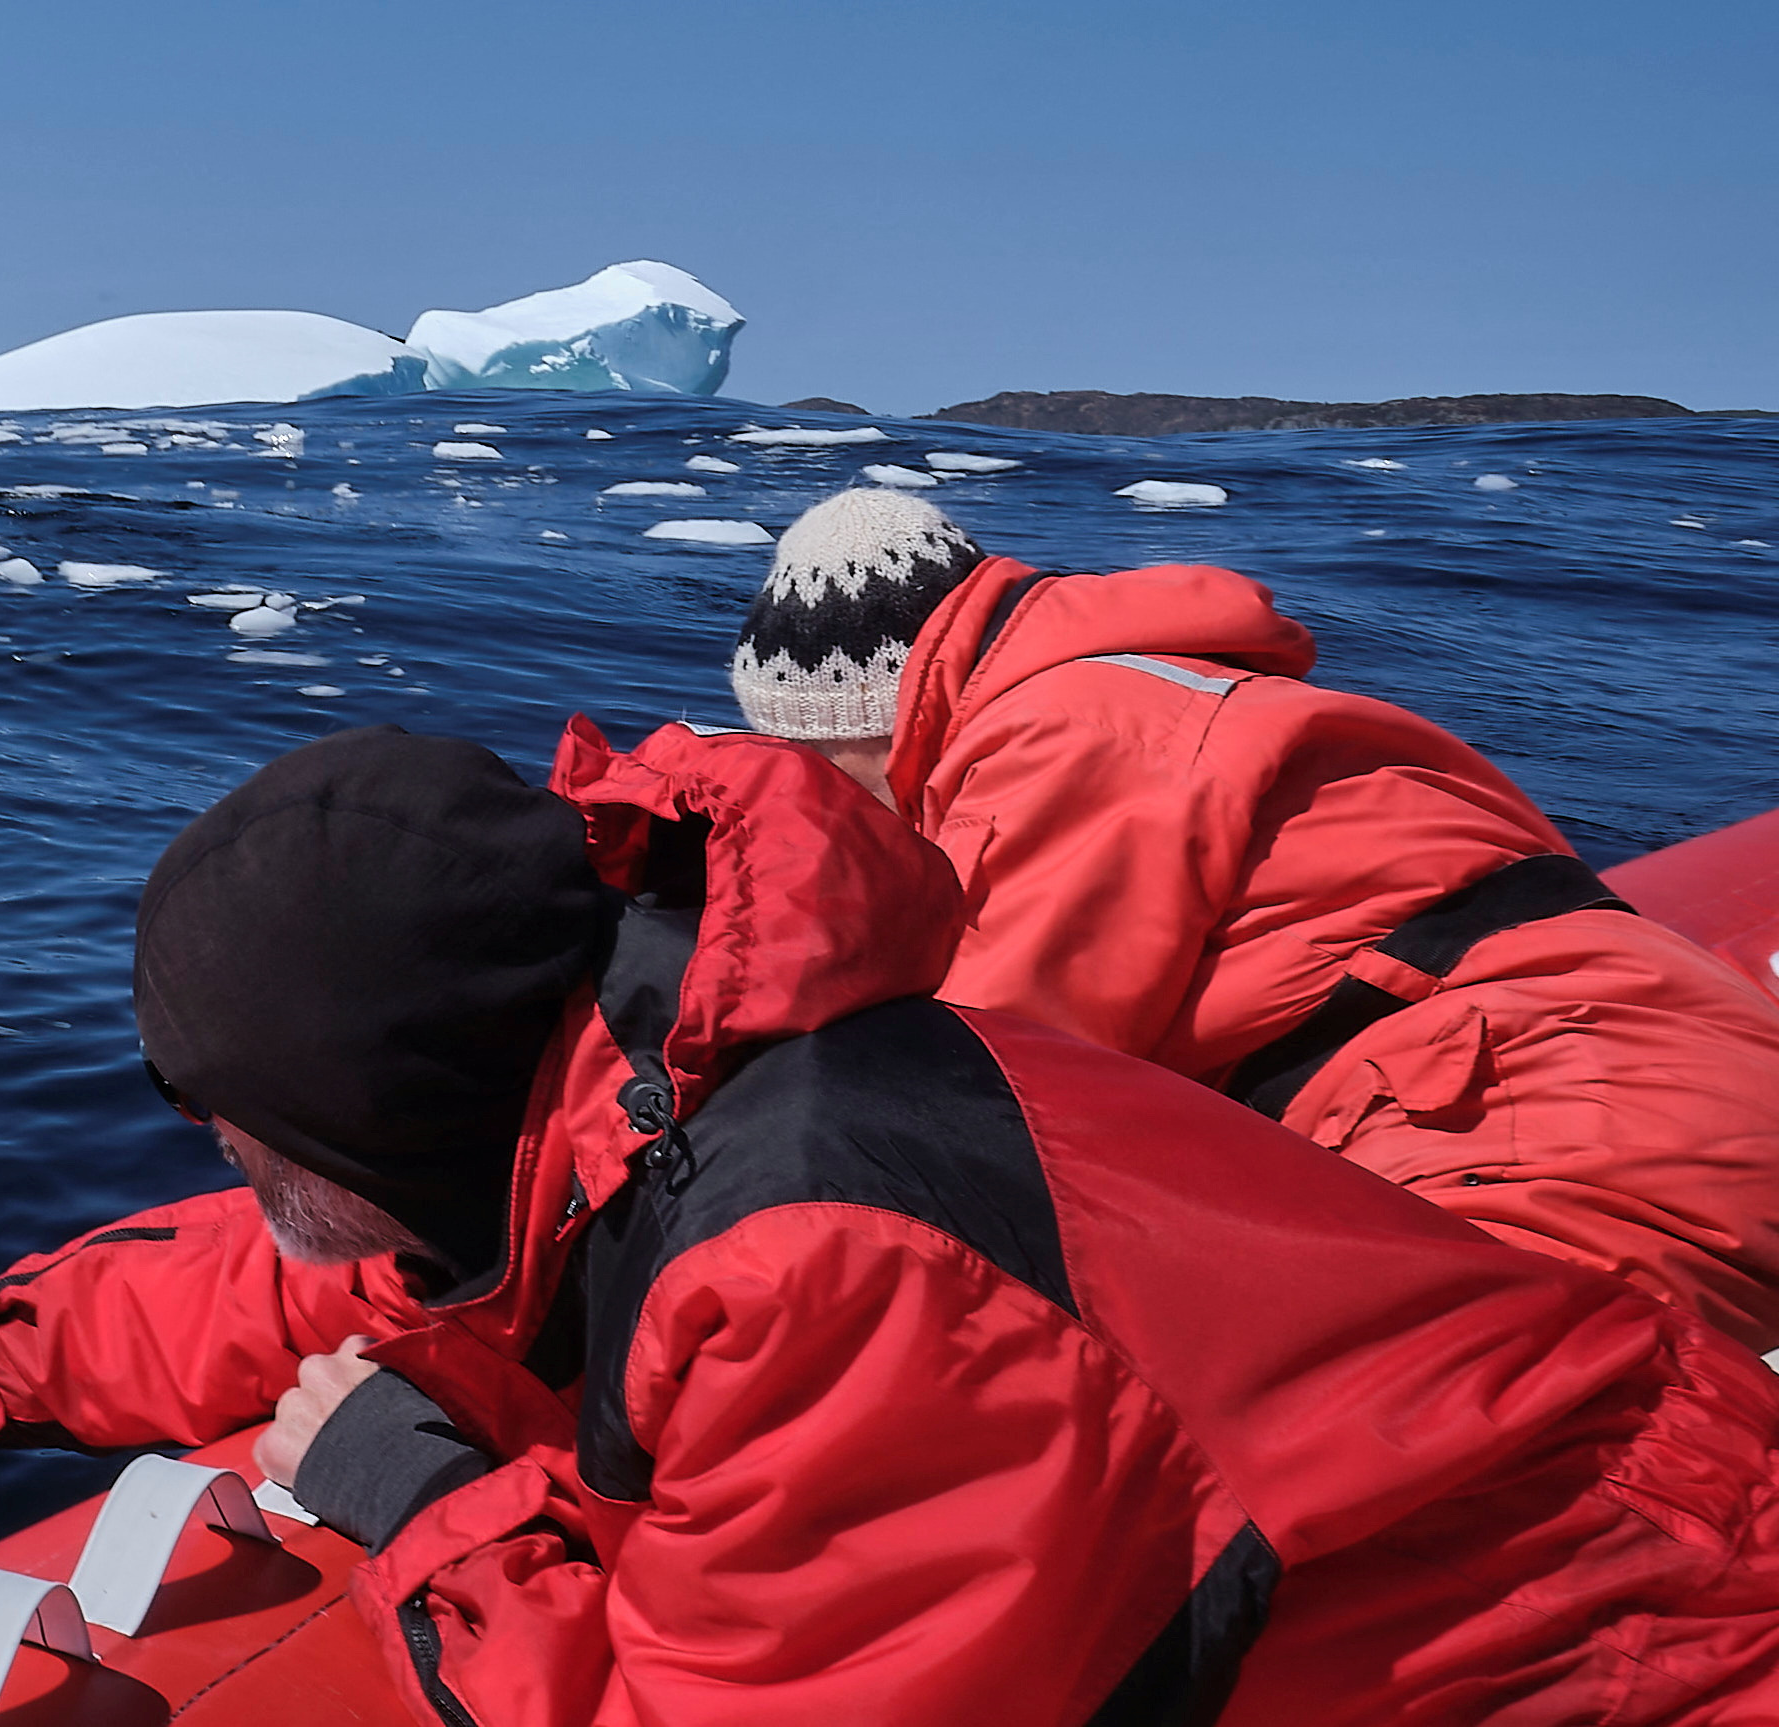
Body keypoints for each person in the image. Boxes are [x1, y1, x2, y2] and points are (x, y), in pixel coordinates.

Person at [0, 723, 1779, 1723]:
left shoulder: (829, 1264)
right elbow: (258, 1282)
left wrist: (420, 1501)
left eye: (233, 1118)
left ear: (372, 1108)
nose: (222, 1162)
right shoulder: (604, 1117)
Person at [723, 485, 1779, 1348]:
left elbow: (989, 1072)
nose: (825, 800)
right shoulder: (1167, 695)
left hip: (1557, 1148)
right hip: (1658, 1088)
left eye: (817, 764)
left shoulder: (1069, 734)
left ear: (874, 719)